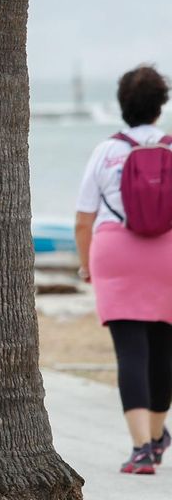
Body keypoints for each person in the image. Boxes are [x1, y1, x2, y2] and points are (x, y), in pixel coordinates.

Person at [74, 64, 172, 474]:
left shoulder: (106, 151)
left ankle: (142, 449)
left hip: (116, 254)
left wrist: (85, 266)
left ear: (122, 106)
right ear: (160, 107)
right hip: (167, 255)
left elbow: (83, 219)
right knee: (163, 350)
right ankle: (157, 433)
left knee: (130, 350)